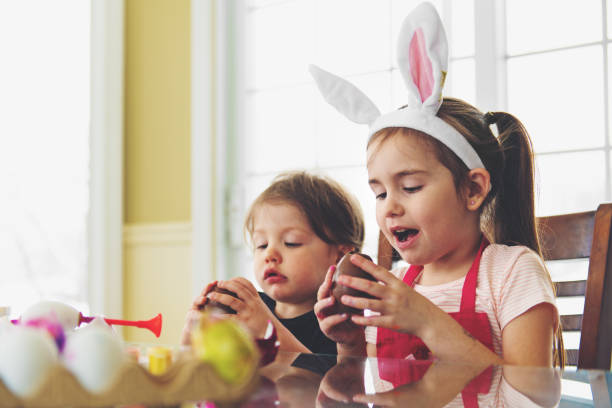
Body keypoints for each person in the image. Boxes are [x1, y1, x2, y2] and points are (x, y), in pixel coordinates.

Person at [310, 1, 562, 385]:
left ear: (473, 189)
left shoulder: (512, 274)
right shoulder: (395, 283)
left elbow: (536, 394)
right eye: (379, 193)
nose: (390, 208)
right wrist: (351, 346)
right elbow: (377, 389)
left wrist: (428, 322)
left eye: (410, 187)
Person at [181, 171, 365, 355]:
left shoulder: (338, 323)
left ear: (340, 256)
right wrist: (193, 338)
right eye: (261, 245)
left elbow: (328, 381)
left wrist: (268, 330)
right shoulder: (248, 309)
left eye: (291, 243)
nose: (270, 254)